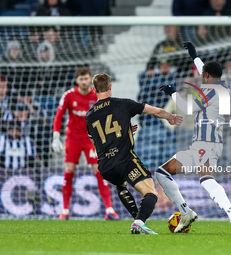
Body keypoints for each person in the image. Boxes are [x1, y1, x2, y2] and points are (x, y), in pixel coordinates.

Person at [157, 41, 231, 234]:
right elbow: (204, 71)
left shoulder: (210, 90)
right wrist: (195, 56)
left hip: (206, 142)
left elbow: (189, 109)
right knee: (164, 173)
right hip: (210, 142)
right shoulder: (222, 86)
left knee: (202, 179)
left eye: (202, 75)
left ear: (206, 76)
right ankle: (189, 212)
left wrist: (173, 93)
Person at [86, 73, 182, 234]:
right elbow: (155, 111)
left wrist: (124, 130)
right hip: (124, 160)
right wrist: (169, 117)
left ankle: (138, 222)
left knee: (120, 185)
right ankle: (139, 222)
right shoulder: (122, 104)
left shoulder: (89, 115)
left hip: (105, 166)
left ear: (94, 89)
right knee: (150, 192)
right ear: (110, 86)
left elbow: (97, 140)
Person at [52, 67, 118, 221]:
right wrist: (56, 137)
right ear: (77, 80)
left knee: (100, 172)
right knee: (68, 173)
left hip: (91, 139)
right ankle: (65, 211)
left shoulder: (96, 96)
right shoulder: (68, 95)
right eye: (81, 79)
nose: (83, 81)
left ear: (90, 80)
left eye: (86, 78)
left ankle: (109, 209)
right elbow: (58, 116)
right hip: (73, 138)